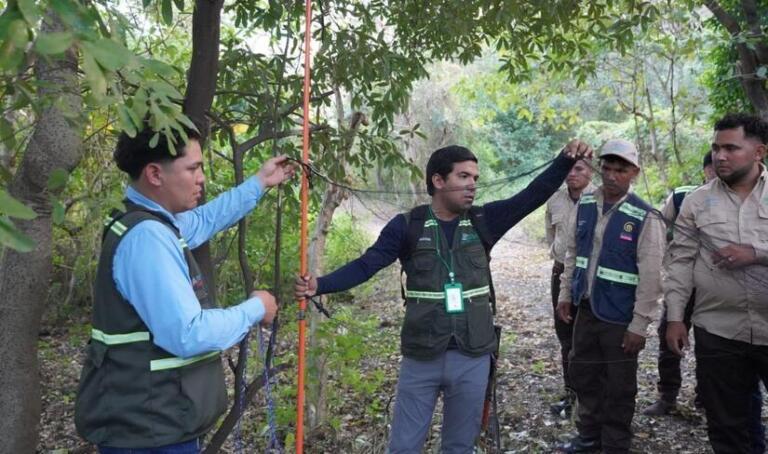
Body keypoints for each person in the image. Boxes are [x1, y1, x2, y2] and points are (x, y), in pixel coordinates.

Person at [295, 142, 593, 453]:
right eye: (463, 176)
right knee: (403, 447)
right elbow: (366, 265)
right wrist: (320, 285)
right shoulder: (406, 226)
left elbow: (532, 195)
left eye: (475, 178)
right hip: (421, 355)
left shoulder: (483, 221)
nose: (472, 185)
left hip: (473, 355)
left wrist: (564, 161)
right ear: (438, 181)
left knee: (459, 447)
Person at [75, 124, 295, 453]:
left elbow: (205, 220)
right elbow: (187, 334)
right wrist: (255, 308)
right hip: (149, 432)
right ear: (154, 174)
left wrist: (260, 182)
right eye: (193, 168)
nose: (201, 178)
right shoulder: (147, 238)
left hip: (152, 422)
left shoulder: (148, 221)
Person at [666, 113, 768, 454]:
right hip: (718, 331)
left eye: (730, 148)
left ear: (759, 152)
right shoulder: (696, 202)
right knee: (727, 427)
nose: (720, 156)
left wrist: (756, 253)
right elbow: (680, 262)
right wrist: (676, 317)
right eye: (716, 148)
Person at [556, 139, 665, 454]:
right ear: (599, 168)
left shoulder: (647, 216)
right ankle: (588, 436)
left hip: (620, 315)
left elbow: (652, 277)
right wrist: (566, 293)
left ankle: (615, 443)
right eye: (607, 167)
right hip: (587, 308)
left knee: (619, 383)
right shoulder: (586, 204)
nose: (613, 175)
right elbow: (574, 252)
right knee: (583, 372)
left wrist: (639, 324)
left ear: (634, 172)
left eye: (621, 170)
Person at [642, 152, 715, 416]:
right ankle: (668, 396)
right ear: (705, 171)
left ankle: (707, 399)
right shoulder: (683, 197)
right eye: (712, 170)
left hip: (716, 288)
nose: (716, 176)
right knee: (669, 337)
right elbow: (658, 230)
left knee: (712, 344)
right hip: (682, 283)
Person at [545, 159, 595, 418]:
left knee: (588, 338)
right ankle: (571, 394)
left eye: (579, 169)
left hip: (590, 279)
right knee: (565, 337)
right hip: (561, 273)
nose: (572, 174)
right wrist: (558, 260)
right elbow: (552, 236)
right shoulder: (554, 200)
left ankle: (592, 397)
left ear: (591, 171)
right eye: (569, 168)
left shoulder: (600, 198)